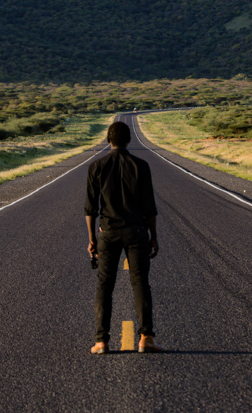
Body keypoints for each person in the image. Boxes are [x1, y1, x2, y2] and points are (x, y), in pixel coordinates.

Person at [84, 120, 162, 354]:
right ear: (128, 140)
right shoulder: (141, 165)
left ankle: (101, 341)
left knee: (105, 285)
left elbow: (90, 209)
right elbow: (150, 207)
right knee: (140, 283)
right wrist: (154, 236)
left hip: (107, 232)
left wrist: (91, 239)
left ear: (109, 140)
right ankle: (146, 338)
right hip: (137, 231)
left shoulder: (96, 166)